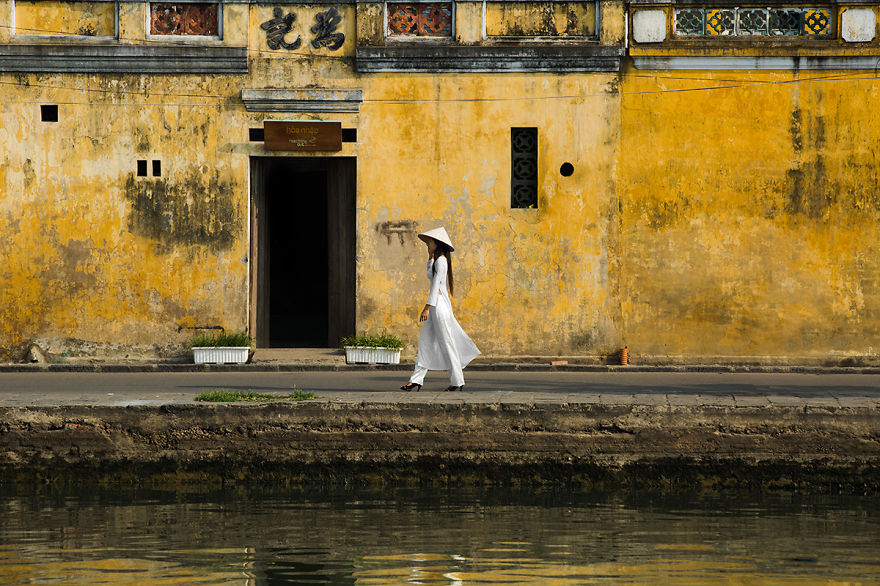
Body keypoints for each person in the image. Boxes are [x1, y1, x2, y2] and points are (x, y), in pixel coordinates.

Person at [401, 227, 480, 392]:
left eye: (429, 242)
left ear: (437, 243)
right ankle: (416, 380)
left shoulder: (442, 261)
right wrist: (430, 258)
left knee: (447, 344)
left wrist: (426, 308)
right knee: (425, 343)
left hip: (439, 308)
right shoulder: (437, 260)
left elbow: (436, 285)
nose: (427, 245)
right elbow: (431, 276)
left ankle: (457, 380)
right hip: (434, 308)